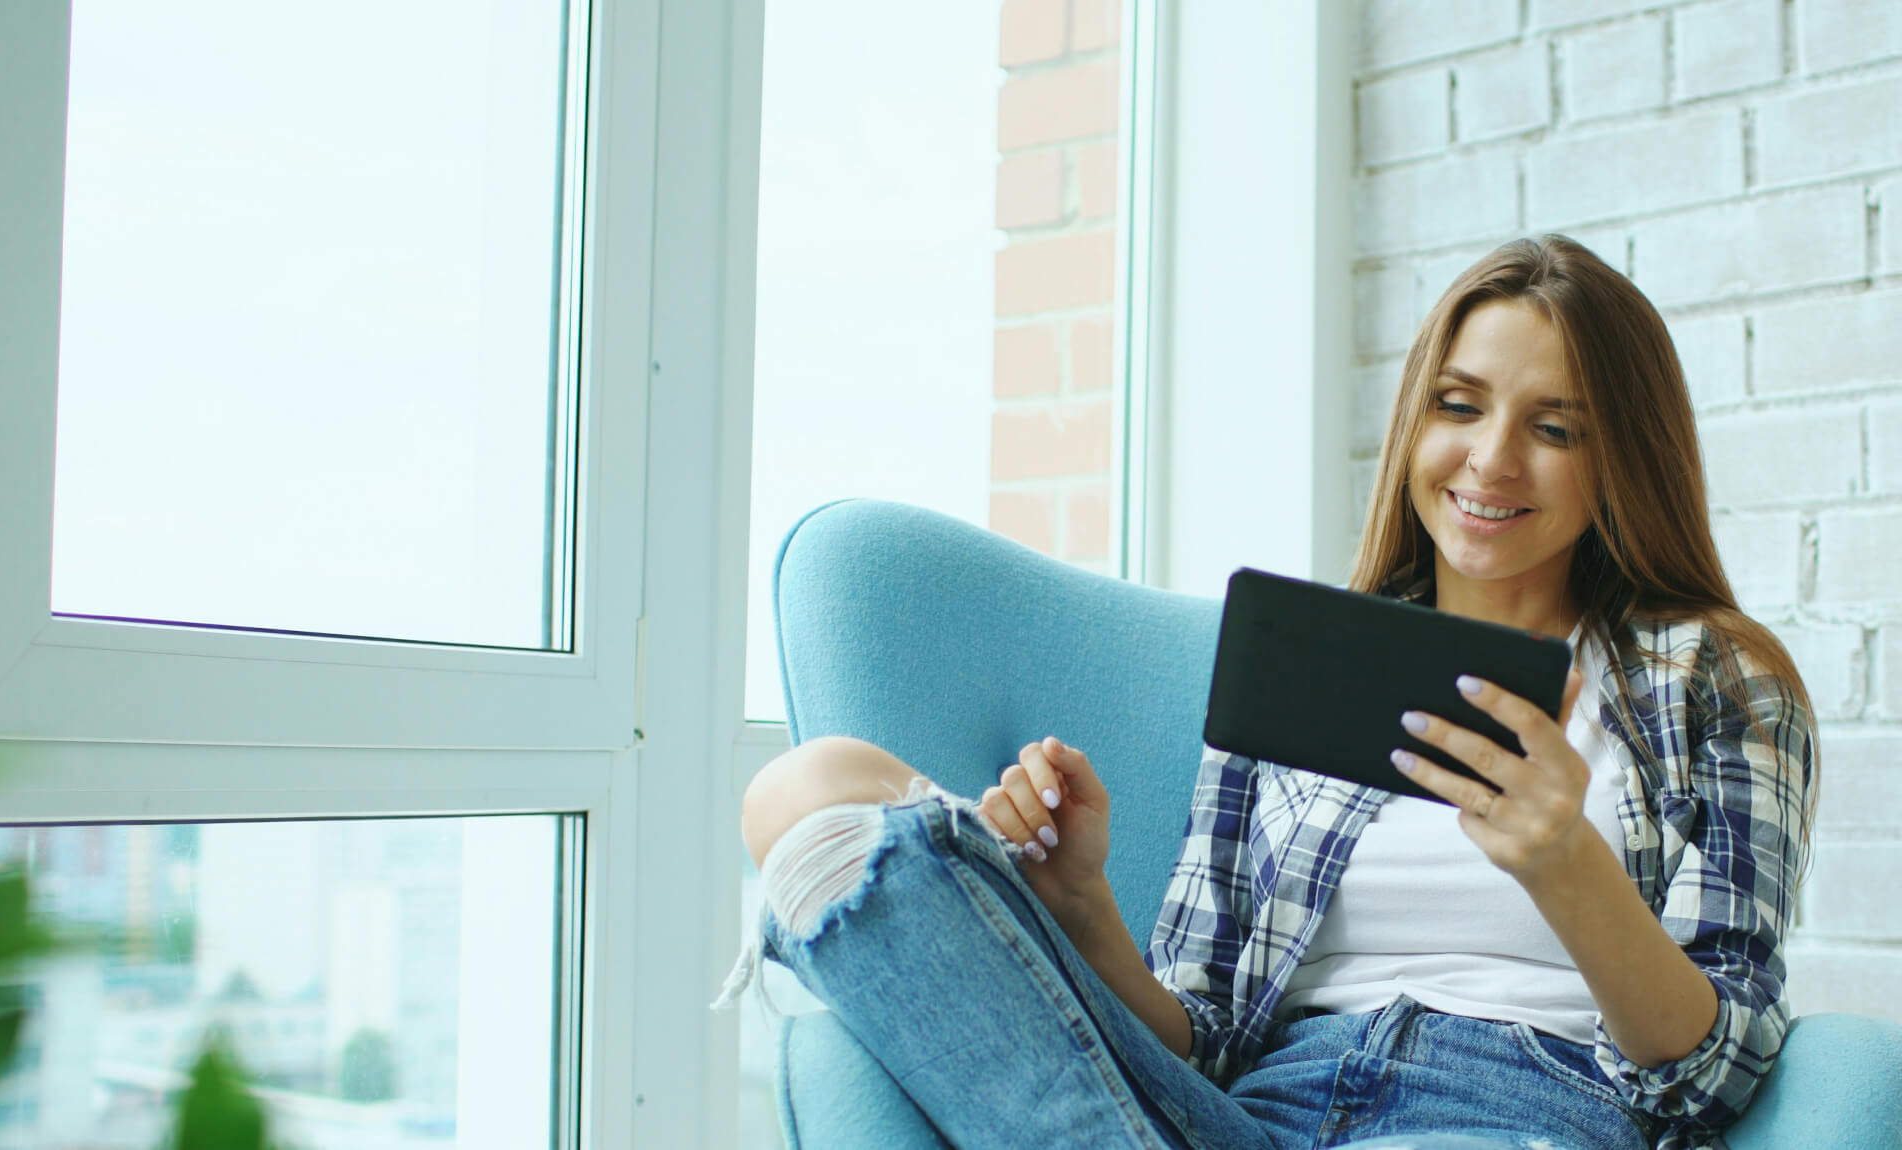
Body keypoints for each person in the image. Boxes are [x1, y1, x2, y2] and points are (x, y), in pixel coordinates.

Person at [727, 236, 1816, 1150]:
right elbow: (1204, 1035)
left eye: (1554, 427)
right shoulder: (1307, 660)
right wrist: (1085, 908)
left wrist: (1564, 861)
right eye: (1459, 406)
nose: (1491, 459)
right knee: (810, 788)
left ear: (1621, 456)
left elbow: (1716, 1073)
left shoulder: (1712, 680)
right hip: (1252, 1117)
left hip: (1513, 1108)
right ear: (1416, 422)